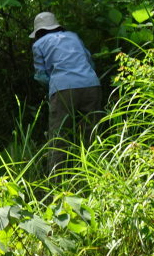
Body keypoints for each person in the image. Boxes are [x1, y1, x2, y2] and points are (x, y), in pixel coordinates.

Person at [30, 12, 101, 177]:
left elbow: (41, 75)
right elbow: (89, 61)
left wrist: (53, 86)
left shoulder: (39, 44)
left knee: (59, 137)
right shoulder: (73, 36)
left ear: (38, 31)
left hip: (63, 89)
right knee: (92, 132)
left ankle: (56, 180)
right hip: (91, 84)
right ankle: (94, 174)